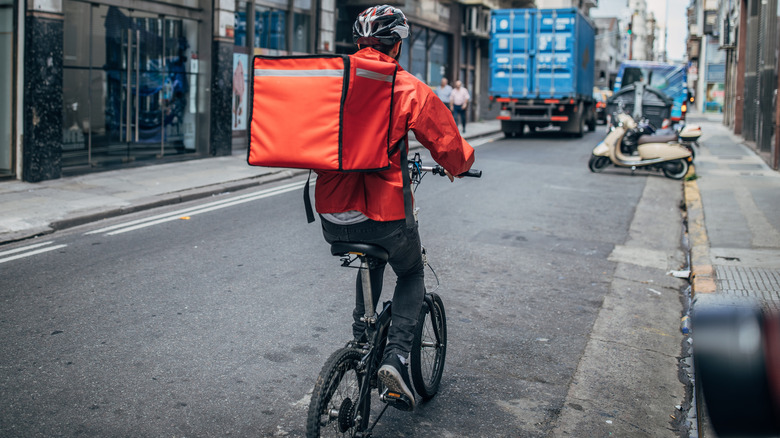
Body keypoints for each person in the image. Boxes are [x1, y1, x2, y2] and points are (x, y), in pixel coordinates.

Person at [313, 5, 475, 411]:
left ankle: (361, 339)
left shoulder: (331, 78)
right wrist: (458, 166)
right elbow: (448, 143)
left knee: (367, 259)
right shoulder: (405, 87)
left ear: (358, 43)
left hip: (332, 215)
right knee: (411, 269)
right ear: (397, 44)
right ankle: (398, 357)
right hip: (381, 214)